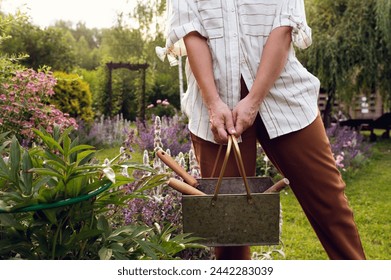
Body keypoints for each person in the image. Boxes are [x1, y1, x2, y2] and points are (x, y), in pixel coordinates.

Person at [158, 0, 366, 260]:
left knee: (331, 208)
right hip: (215, 104)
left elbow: (284, 27)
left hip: (286, 97)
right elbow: (191, 33)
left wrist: (254, 99)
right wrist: (213, 103)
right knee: (228, 227)